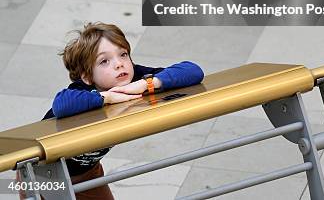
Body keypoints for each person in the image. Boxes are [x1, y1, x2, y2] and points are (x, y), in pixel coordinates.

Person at [42, 22, 204, 200]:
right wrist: (106, 98)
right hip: (45, 173)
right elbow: (61, 104)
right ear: (87, 76)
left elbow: (193, 71)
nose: (119, 64)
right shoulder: (82, 90)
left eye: (123, 54)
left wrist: (147, 84)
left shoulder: (133, 78)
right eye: (104, 61)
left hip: (88, 170)